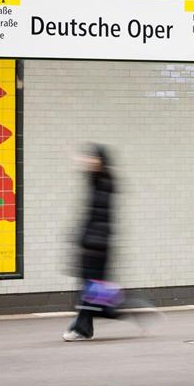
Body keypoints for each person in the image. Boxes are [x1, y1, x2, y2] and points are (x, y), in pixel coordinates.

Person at [63, 144, 118, 341]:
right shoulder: (96, 182)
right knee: (90, 290)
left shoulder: (105, 183)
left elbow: (99, 217)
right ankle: (85, 326)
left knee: (90, 290)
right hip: (91, 244)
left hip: (99, 246)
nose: (89, 162)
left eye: (93, 159)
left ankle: (83, 328)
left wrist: (91, 240)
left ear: (101, 161)